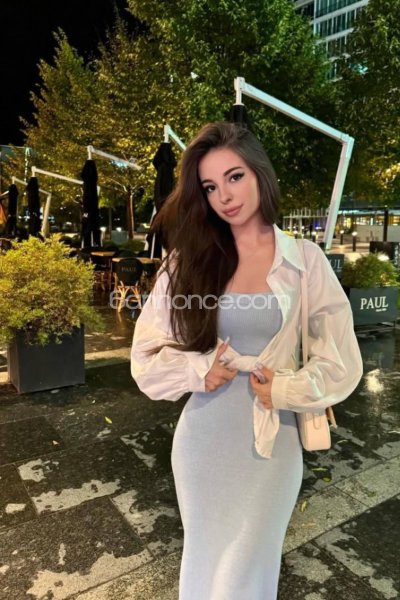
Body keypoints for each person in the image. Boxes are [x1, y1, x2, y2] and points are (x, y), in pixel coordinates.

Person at [131, 121, 363, 600]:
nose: (224, 196)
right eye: (210, 186)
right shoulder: (187, 262)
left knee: (248, 572)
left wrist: (285, 388)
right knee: (205, 568)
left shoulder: (305, 261)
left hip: (272, 445)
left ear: (260, 173)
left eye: (234, 177)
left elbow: (341, 360)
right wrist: (199, 369)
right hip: (202, 444)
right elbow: (145, 357)